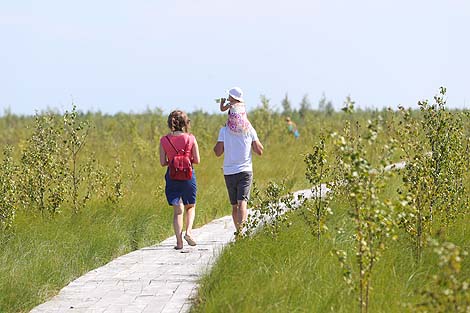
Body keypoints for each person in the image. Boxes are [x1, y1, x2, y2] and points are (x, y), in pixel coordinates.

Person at [214, 87, 264, 234]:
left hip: (229, 171)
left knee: (235, 205)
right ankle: (240, 233)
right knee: (243, 203)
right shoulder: (249, 129)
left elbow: (217, 152)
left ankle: (239, 232)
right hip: (245, 171)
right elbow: (259, 151)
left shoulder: (224, 131)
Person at [160, 110, 200, 250]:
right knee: (190, 206)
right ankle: (188, 232)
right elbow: (197, 160)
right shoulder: (191, 138)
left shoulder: (164, 140)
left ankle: (179, 242)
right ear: (185, 123)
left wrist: (173, 160)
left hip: (172, 176)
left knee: (178, 211)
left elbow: (162, 162)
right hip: (188, 176)